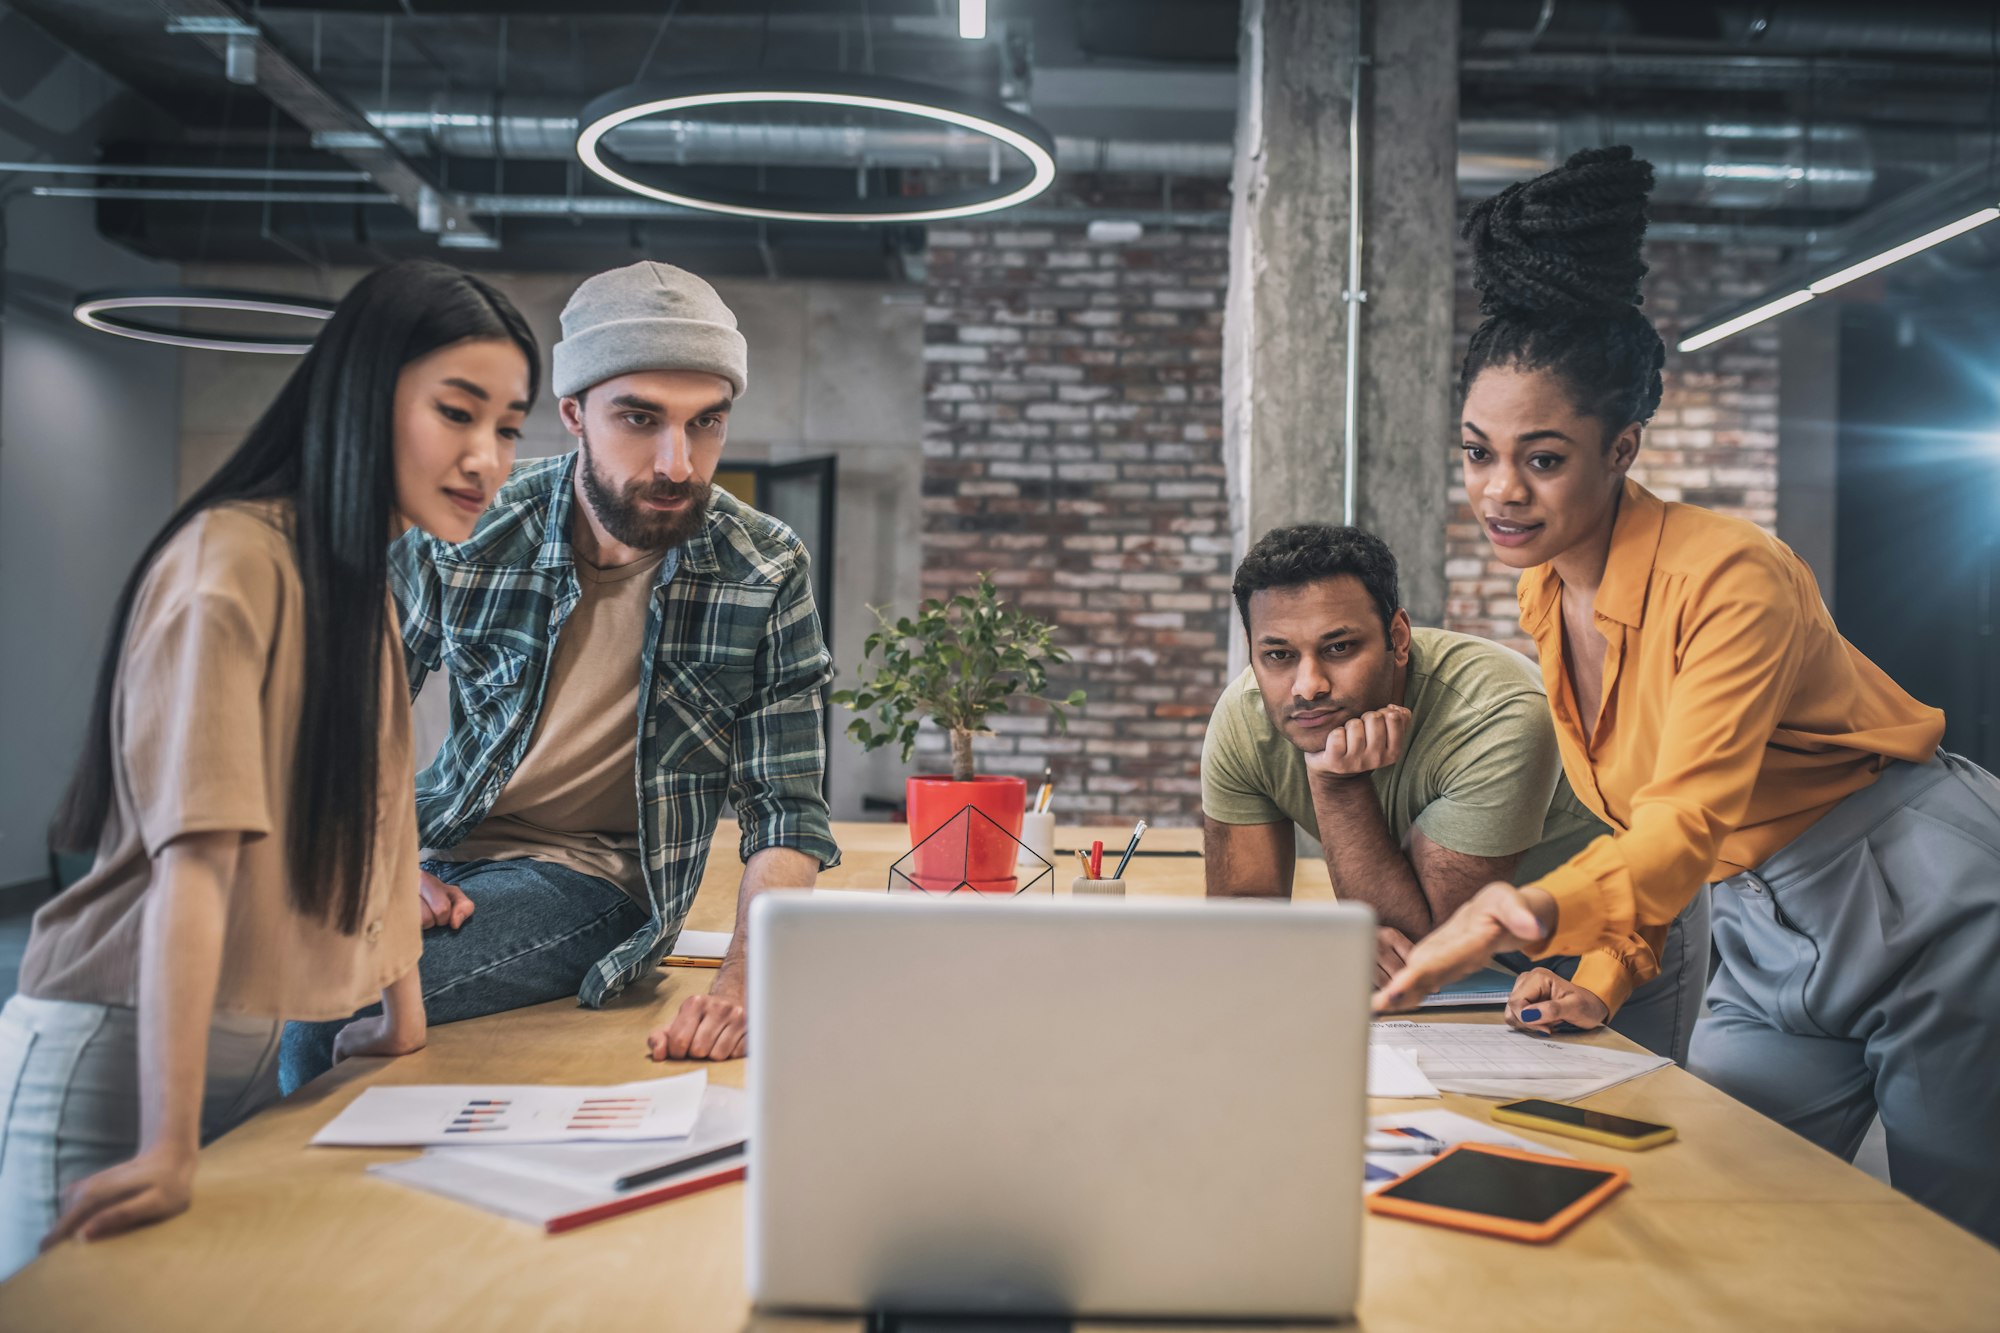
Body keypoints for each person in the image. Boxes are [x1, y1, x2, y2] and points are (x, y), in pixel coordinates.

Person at [1376, 146, 2000, 1245]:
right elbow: (1647, 822)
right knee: (1723, 1200)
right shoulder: (1539, 599)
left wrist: (1514, 914)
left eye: (1542, 458)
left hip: (1926, 901)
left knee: (1951, 1238)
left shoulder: (1730, 573)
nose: (1497, 490)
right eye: (1477, 452)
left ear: (1620, 449)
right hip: (1761, 926)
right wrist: (1602, 972)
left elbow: (1686, 815)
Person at [0, 262, 536, 1275]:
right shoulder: (233, 560)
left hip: (235, 1044)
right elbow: (194, 870)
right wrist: (164, 1146)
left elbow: (383, 822)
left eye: (507, 427)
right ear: (362, 396)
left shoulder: (354, 579)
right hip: (112, 1052)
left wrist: (400, 1016)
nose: (486, 458)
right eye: (456, 413)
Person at [280, 261, 839, 1091]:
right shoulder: (472, 521)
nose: (678, 462)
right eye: (640, 418)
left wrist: (744, 982)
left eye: (707, 422)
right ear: (574, 413)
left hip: (594, 879)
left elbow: (784, 810)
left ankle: (304, 1213)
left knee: (331, 1004)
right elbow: (347, 713)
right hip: (437, 845)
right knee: (286, 978)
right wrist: (386, 862)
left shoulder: (763, 568)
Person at [1204, 524, 1706, 1061]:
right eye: (1278, 655)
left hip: (1599, 938)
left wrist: (1338, 784)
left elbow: (1430, 946)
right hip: (1457, 944)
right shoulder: (1245, 719)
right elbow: (1241, 919)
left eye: (1340, 647)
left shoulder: (1500, 714)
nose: (1308, 686)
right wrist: (1323, 941)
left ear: (1399, 639)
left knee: (1618, 1123)